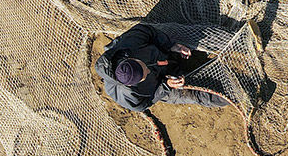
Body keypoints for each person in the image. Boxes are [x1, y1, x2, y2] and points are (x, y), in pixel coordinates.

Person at [95, 23, 229, 111]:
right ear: (131, 85)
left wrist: (172, 46)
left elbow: (148, 31)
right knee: (196, 94)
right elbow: (146, 103)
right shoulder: (129, 96)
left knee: (189, 33)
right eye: (144, 75)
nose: (147, 70)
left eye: (143, 66)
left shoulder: (130, 44)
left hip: (161, 53)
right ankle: (234, 94)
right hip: (160, 84)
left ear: (130, 58)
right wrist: (166, 86)